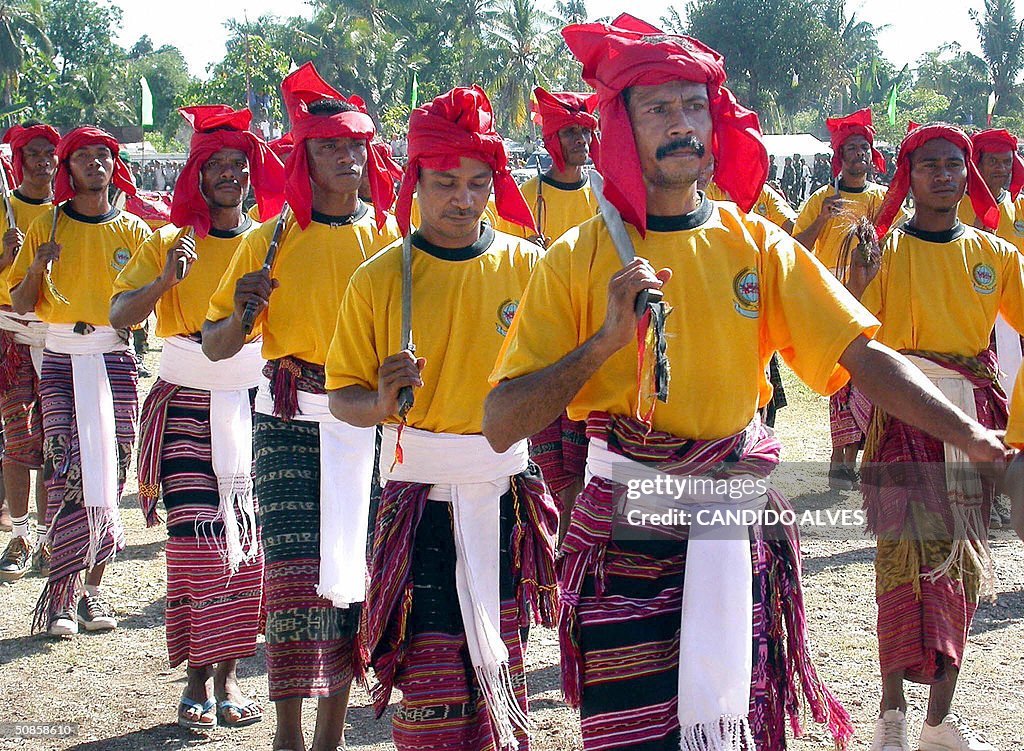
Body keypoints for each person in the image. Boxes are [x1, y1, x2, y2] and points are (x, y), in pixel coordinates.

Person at [484, 15, 1011, 751]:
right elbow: (503, 419)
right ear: (621, 126)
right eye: (657, 108)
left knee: (736, 729)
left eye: (693, 106)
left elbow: (864, 356)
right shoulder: (576, 257)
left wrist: (976, 436)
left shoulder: (756, 244)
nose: (680, 125)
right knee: (633, 738)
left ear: (715, 120)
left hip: (737, 526)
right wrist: (605, 339)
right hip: (623, 533)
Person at [326, 84, 558, 751]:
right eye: (446, 182)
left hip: (506, 495)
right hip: (418, 500)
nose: (462, 198)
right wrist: (377, 399)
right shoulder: (377, 279)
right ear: (414, 180)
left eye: (478, 183)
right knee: (430, 688)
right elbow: (343, 395)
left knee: (501, 672)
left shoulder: (531, 268)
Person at [203, 63, 400, 751]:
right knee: (292, 584)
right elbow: (218, 342)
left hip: (365, 421)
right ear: (303, 158)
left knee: (349, 578)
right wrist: (240, 307)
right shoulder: (270, 239)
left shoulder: (389, 244)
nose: (348, 158)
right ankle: (289, 735)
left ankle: (330, 737)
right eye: (329, 148)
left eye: (354, 146)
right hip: (286, 419)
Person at [109, 104, 285, 730]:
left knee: (250, 554)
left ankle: (229, 677)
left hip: (254, 407)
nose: (231, 175)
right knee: (200, 547)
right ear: (197, 176)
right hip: (183, 405)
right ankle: (194, 677)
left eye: (240, 164)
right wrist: (163, 282)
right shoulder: (168, 241)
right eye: (217, 167)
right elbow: (121, 316)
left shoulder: (272, 241)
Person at [848, 123, 1012, 751]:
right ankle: (889, 714)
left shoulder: (993, 256)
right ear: (908, 177)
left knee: (960, 566)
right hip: (902, 416)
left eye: (954, 166)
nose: (944, 176)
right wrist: (858, 280)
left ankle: (939, 724)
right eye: (931, 166)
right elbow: (853, 334)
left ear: (965, 175)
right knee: (899, 563)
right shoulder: (883, 251)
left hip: (970, 417)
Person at [8, 127, 150, 637]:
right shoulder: (48, 224)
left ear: (115, 167)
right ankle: (62, 597)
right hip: (63, 355)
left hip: (114, 355)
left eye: (103, 156)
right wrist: (36, 268)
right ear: (68, 170)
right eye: (83, 157)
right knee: (65, 467)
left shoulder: (135, 231)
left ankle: (93, 590)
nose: (94, 164)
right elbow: (22, 305)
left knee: (113, 470)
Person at [794, 108, 891, 489]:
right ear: (840, 157)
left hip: (876, 303)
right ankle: (841, 459)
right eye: (851, 148)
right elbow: (794, 248)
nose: (859, 154)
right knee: (841, 380)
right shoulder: (821, 199)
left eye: (864, 147)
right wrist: (821, 220)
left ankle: (864, 460)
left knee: (872, 378)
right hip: (834, 305)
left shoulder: (884, 202)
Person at [0, 122, 59, 583]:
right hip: (11, 338)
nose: (43, 160)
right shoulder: (7, 209)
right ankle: (18, 536)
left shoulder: (67, 213)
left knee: (56, 444)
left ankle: (46, 538)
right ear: (20, 161)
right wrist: (4, 258)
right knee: (20, 442)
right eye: (34, 153)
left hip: (59, 339)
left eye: (50, 153)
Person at [518, 86, 600, 248]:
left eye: (585, 131)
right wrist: (525, 250)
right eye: (570, 132)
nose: (581, 139)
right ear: (552, 140)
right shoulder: (526, 196)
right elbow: (508, 261)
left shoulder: (601, 193)